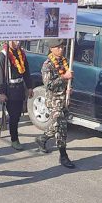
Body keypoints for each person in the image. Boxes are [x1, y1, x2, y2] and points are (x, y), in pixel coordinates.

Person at [34, 39, 75, 168]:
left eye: (62, 47)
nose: (60, 49)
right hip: (54, 100)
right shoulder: (47, 65)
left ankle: (42, 139)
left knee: (56, 125)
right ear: (51, 49)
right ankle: (63, 156)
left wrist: (69, 86)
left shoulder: (64, 61)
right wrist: (64, 77)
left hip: (64, 98)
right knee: (61, 128)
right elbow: (49, 85)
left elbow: (68, 77)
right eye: (57, 47)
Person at [0, 40, 33, 150]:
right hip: (9, 89)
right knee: (14, 116)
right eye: (15, 40)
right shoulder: (2, 56)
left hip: (20, 88)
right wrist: (2, 93)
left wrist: (29, 87)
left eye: (19, 40)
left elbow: (26, 72)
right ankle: (14, 139)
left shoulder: (21, 54)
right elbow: (0, 77)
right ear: (9, 40)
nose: (18, 43)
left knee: (17, 114)